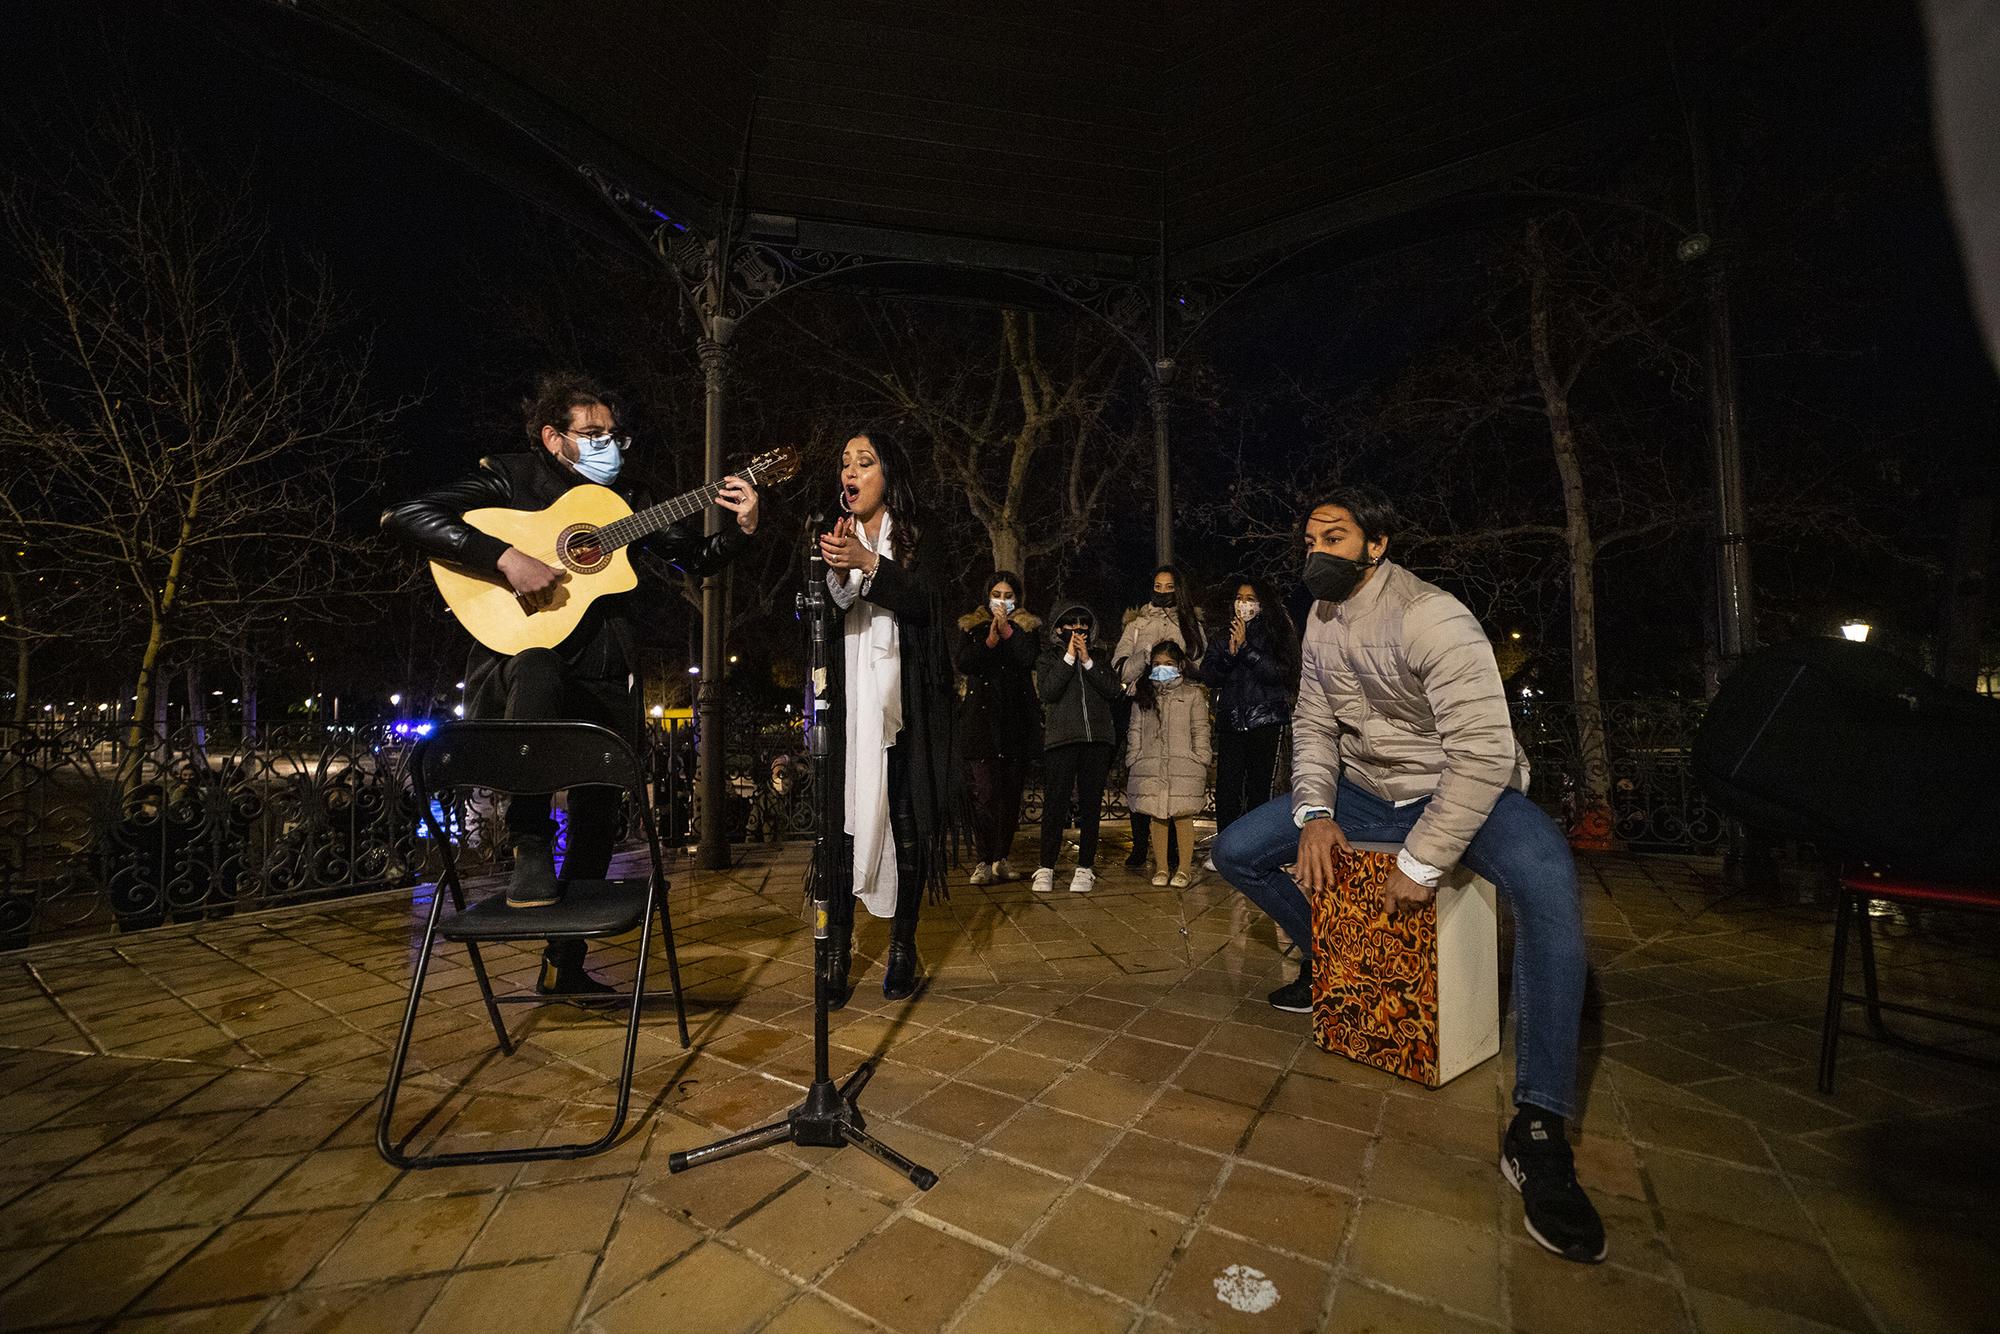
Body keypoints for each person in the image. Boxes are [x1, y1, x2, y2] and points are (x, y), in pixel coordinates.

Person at [1213, 484, 1605, 1265]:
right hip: (1362, 794)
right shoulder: (1321, 621)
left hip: (1462, 787)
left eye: (1333, 536)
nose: (1315, 551)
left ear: (1376, 544)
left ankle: (1538, 1125)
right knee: (1235, 851)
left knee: (1549, 885)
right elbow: (1315, 723)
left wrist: (1424, 859)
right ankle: (1333, 963)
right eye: (1309, 540)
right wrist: (1316, 812)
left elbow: (1487, 751)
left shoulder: (1433, 615)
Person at [381, 372, 760, 996]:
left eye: (613, 434)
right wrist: (503, 557)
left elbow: (693, 558)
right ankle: (528, 844)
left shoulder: (623, 507)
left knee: (597, 816)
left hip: (606, 673)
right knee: (539, 666)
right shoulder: (510, 477)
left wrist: (741, 529)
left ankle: (565, 961)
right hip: (524, 664)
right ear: (554, 438)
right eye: (592, 433)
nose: (608, 444)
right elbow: (406, 514)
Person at [815, 428, 958, 1005]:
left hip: (910, 702)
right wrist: (836, 574)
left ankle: (902, 946)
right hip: (852, 704)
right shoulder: (829, 535)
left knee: (907, 818)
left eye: (864, 462)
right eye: (845, 463)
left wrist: (870, 563)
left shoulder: (922, 538)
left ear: (888, 474)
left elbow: (928, 602)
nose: (850, 472)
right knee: (845, 822)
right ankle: (838, 953)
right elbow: (816, 617)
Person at [1199, 576, 1299, 865]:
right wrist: (1230, 655)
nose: (1243, 604)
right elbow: (1210, 675)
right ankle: (1225, 850)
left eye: (1250, 598)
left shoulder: (1276, 632)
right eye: (1240, 598)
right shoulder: (1222, 635)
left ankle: (1262, 850)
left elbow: (1280, 673)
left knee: (1260, 789)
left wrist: (1246, 649)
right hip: (1232, 719)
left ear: (1262, 603)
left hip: (1265, 720)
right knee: (1227, 789)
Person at [1113, 565, 1205, 871]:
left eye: (1169, 587)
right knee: (1144, 778)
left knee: (1175, 779)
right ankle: (1141, 845)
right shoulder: (1137, 625)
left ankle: (1177, 853)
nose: (1163, 592)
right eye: (1158, 586)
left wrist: (1177, 663)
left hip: (1180, 702)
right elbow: (1120, 667)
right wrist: (1145, 656)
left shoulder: (1190, 622)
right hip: (1145, 702)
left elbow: (1200, 662)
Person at [957, 571, 1042, 885]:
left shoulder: (1026, 628)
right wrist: (989, 640)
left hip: (1015, 722)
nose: (1002, 600)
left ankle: (1001, 858)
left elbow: (1028, 657)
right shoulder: (972, 626)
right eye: (997, 593)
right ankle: (983, 858)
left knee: (1010, 795)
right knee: (986, 794)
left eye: (1008, 595)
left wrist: (1007, 632)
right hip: (981, 724)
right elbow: (965, 662)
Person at [1034, 602, 1120, 894]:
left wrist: (1087, 660)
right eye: (1070, 623)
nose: (1077, 629)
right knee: (1055, 805)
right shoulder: (1048, 658)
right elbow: (1048, 691)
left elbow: (1112, 689)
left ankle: (1085, 867)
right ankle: (1046, 866)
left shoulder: (1100, 656)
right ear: (1059, 629)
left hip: (1096, 740)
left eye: (1083, 623)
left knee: (1091, 805)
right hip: (1062, 740)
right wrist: (1070, 658)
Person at [1125, 641, 1212, 888]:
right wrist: (1134, 756)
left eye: (1168, 665)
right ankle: (1161, 867)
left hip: (1183, 764)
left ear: (1180, 666)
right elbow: (1135, 729)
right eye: (1157, 665)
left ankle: (1184, 869)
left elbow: (1200, 728)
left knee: (1182, 816)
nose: (1162, 669)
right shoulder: (1144, 695)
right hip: (1151, 764)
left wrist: (1201, 755)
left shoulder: (1191, 694)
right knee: (1157, 816)